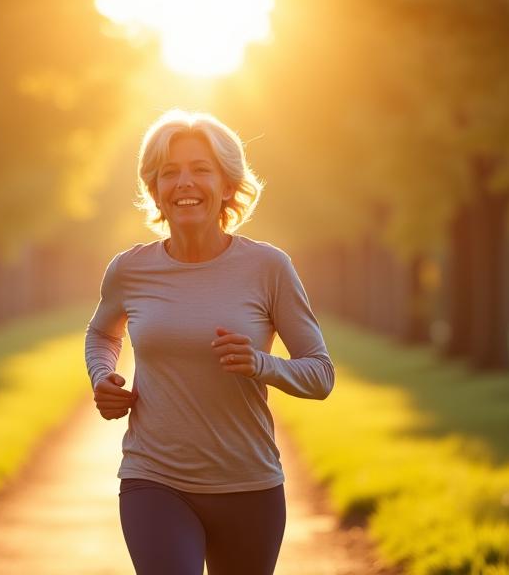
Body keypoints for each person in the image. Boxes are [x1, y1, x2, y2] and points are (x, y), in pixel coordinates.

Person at [84, 109, 335, 575]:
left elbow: (321, 375)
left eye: (201, 170)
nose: (184, 183)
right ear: (154, 189)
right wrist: (104, 376)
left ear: (227, 185)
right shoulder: (129, 269)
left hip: (249, 485)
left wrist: (261, 364)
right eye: (169, 173)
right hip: (153, 479)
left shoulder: (269, 268)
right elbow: (102, 332)